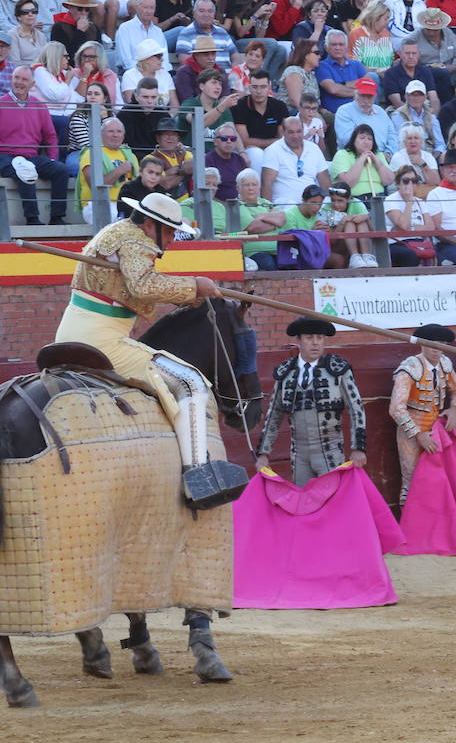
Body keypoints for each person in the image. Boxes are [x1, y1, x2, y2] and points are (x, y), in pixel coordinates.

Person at [54, 192, 243, 508]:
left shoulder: (115, 233)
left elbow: (133, 288)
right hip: (101, 340)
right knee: (191, 383)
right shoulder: (136, 241)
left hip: (72, 332)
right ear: (151, 224)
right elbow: (144, 285)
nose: (170, 241)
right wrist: (194, 285)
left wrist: (189, 294)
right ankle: (200, 478)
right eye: (168, 231)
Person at [255, 317, 367, 488]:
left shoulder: (338, 369)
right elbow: (274, 416)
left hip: (330, 451)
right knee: (304, 502)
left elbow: (356, 409)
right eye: (309, 338)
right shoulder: (285, 372)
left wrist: (358, 448)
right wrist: (263, 453)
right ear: (298, 340)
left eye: (320, 338)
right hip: (299, 454)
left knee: (332, 501)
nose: (315, 343)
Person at [0, 66, 68, 225]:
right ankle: (32, 219)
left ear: (32, 84)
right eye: (17, 78)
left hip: (31, 156)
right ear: (11, 79)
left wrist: (52, 159)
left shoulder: (39, 106)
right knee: (25, 170)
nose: (19, 82)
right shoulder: (1, 104)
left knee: (61, 170)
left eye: (24, 79)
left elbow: (50, 136)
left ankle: (57, 217)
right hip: (5, 156)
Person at [261, 116, 331, 207]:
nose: (295, 136)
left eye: (299, 131)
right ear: (283, 132)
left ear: (303, 130)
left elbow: (325, 182)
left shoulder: (314, 149)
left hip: (312, 205)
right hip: (284, 206)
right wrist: (268, 211)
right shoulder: (273, 150)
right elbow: (266, 184)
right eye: (291, 132)